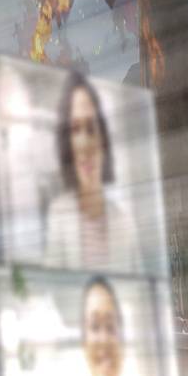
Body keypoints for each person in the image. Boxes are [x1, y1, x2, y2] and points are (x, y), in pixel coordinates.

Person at [41, 74, 147, 270]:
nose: (84, 144)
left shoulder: (124, 221)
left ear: (103, 140)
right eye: (75, 130)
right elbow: (51, 290)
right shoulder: (58, 216)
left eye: (91, 128)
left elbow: (140, 294)